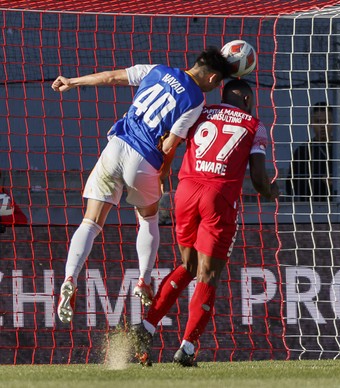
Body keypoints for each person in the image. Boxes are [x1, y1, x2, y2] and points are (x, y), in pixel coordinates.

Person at [51, 47, 232, 324]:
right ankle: (144, 281)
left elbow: (112, 78)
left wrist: (72, 82)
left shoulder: (157, 69)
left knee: (90, 222)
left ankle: (69, 278)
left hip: (116, 147)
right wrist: (162, 175)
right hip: (144, 159)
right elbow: (171, 143)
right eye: (218, 83)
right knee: (147, 218)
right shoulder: (196, 100)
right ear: (212, 78)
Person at [131, 79, 279, 367]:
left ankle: (146, 327)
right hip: (218, 196)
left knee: (187, 265)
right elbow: (259, 178)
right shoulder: (253, 124)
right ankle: (187, 348)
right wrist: (270, 191)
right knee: (207, 273)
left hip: (185, 192)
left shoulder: (201, 112)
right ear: (248, 101)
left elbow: (170, 142)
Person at [286, 102, 340, 201]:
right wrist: (319, 182)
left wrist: (339, 183)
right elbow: (290, 187)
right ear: (311, 123)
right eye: (318, 121)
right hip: (311, 207)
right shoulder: (302, 152)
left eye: (327, 121)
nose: (322, 125)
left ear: (334, 123)